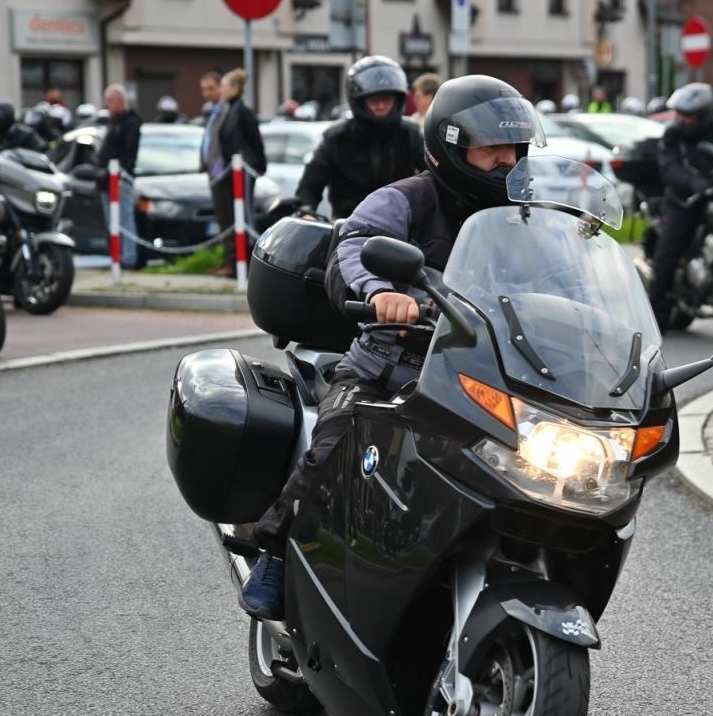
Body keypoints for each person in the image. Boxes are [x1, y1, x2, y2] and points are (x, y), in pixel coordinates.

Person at [239, 74, 545, 619]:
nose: (506, 161)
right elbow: (353, 245)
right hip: (392, 364)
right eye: (491, 148)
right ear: (450, 147)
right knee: (336, 443)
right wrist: (381, 292)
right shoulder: (406, 200)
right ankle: (278, 553)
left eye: (514, 150)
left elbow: (562, 275)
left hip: (485, 375)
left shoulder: (525, 217)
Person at [647, 81, 713, 328]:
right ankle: (655, 319)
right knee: (667, 257)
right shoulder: (673, 135)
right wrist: (694, 183)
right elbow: (670, 167)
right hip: (685, 202)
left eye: (689, 116)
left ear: (706, 114)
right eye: (680, 115)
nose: (683, 121)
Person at [291, 55, 424, 221]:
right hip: (349, 229)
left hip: (402, 227)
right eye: (374, 100)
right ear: (359, 100)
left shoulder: (410, 133)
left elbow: (433, 175)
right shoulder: (336, 137)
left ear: (397, 99)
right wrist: (306, 211)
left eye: (387, 99)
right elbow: (310, 184)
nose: (381, 106)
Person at [199, 68, 266, 277]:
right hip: (229, 172)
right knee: (229, 217)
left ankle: (247, 264)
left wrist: (256, 165)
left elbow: (254, 140)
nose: (222, 90)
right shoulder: (229, 109)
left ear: (235, 88)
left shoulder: (243, 111)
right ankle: (232, 261)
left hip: (242, 171)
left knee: (243, 216)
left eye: (225, 86)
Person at [94, 84, 143, 267]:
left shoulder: (130, 123)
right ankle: (117, 257)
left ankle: (128, 258)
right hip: (106, 180)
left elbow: (128, 152)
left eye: (109, 101)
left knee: (124, 219)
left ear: (119, 101)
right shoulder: (114, 121)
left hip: (120, 179)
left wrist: (118, 171)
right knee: (111, 222)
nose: (107, 105)